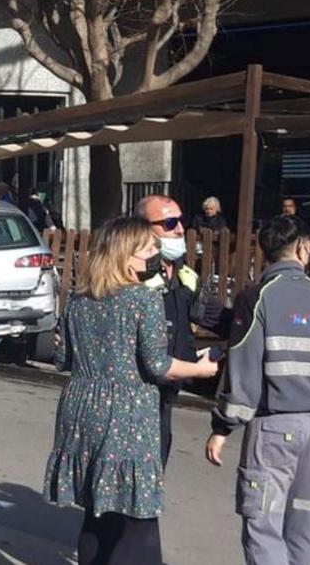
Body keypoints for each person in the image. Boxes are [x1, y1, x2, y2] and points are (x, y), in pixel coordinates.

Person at [44, 216, 219, 565]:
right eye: (149, 247)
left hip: (81, 406)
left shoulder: (79, 299)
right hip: (126, 410)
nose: (155, 253)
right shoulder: (143, 299)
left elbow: (62, 359)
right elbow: (158, 365)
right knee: (136, 515)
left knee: (98, 510)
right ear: (127, 255)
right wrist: (200, 368)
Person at [205, 216, 310, 565]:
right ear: (304, 248)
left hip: (273, 427)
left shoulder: (256, 298)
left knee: (264, 524)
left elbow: (244, 372)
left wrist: (223, 427)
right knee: (304, 522)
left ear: (263, 251)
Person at [135, 194, 232, 467]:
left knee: (154, 475)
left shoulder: (184, 276)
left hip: (166, 394)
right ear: (142, 229)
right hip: (134, 395)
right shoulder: (131, 276)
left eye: (180, 221)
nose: (179, 229)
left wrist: (252, 321)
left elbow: (220, 319)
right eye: (169, 222)